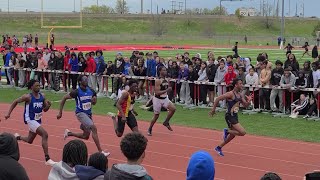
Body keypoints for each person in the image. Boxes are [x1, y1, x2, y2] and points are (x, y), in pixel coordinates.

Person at [4, 79, 56, 166]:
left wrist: (48, 106)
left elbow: (45, 109)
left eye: (39, 85)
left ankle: (18, 137)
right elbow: (15, 102)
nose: (38, 87)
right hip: (30, 120)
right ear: (32, 87)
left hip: (37, 120)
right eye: (36, 86)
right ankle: (47, 159)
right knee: (45, 134)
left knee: (29, 140)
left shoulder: (42, 96)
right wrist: (8, 113)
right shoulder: (28, 97)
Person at [57, 75, 110, 157]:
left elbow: (94, 103)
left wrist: (94, 101)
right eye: (84, 79)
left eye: (87, 79)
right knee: (93, 128)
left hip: (88, 114)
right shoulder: (76, 92)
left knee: (86, 136)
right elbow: (64, 98)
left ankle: (69, 133)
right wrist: (60, 112)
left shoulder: (91, 90)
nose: (86, 80)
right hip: (80, 113)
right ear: (80, 82)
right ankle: (101, 151)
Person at [209, 78, 252, 156]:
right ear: (236, 85)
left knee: (232, 136)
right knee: (242, 132)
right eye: (240, 84)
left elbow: (245, 105)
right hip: (229, 116)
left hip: (235, 116)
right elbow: (218, 99)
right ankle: (226, 131)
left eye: (242, 84)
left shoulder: (240, 95)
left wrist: (249, 101)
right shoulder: (230, 94)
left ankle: (219, 147)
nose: (242, 85)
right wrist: (213, 110)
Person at [147, 66, 176, 136]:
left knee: (173, 109)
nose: (165, 71)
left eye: (166, 70)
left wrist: (169, 88)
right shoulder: (157, 80)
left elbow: (165, 87)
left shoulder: (166, 79)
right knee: (156, 116)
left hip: (165, 98)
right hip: (157, 99)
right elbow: (157, 92)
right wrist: (167, 90)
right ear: (160, 71)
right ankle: (150, 128)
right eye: (164, 70)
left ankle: (166, 122)